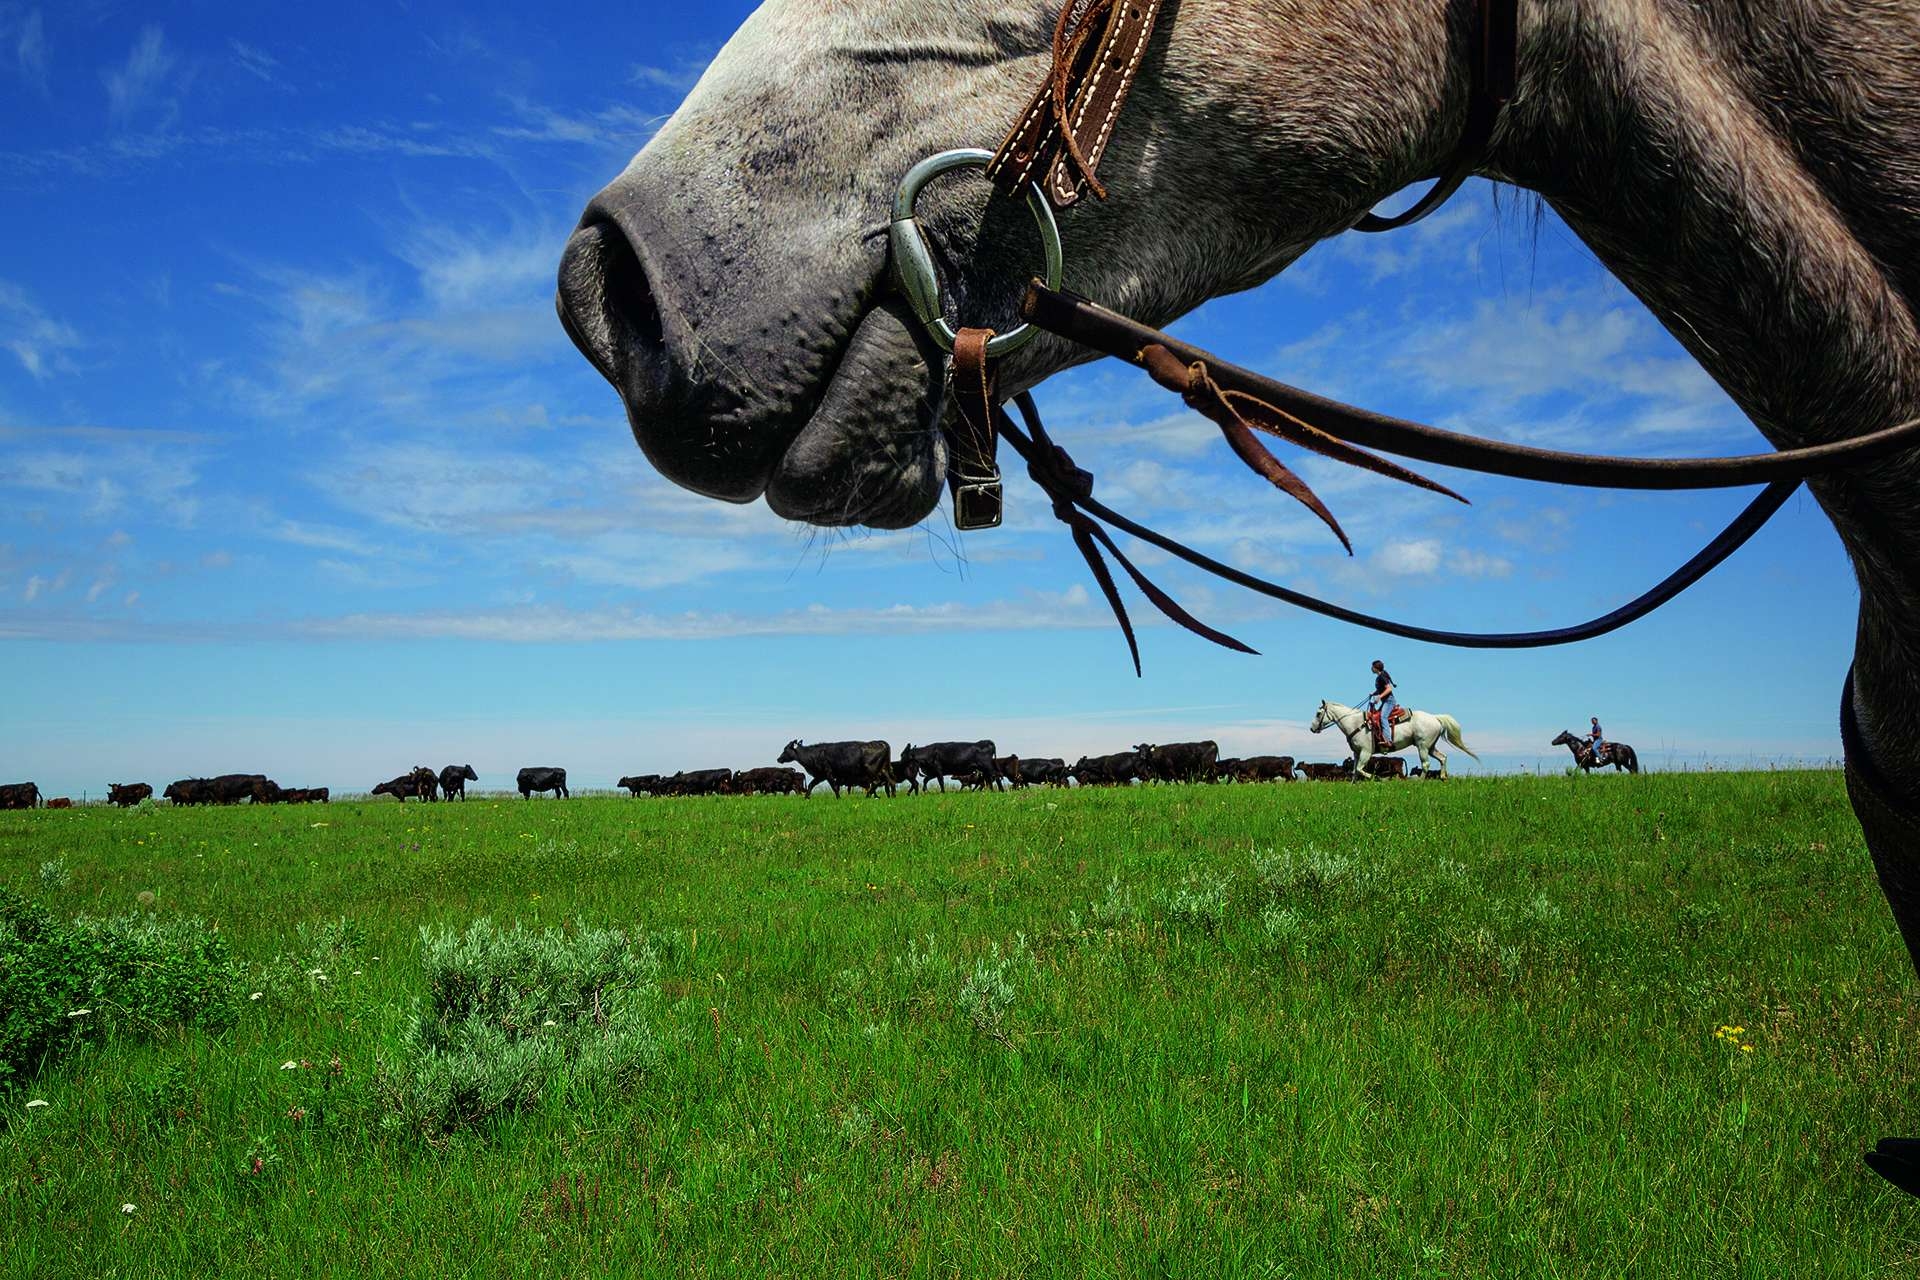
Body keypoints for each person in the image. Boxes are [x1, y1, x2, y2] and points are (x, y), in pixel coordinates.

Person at [1367, 660, 1397, 747]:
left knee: (1383, 717)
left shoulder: (1382, 676)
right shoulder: (1379, 677)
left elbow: (1389, 689)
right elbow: (1381, 689)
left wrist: (1379, 697)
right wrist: (1374, 693)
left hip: (1389, 701)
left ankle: (1388, 741)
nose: (1371, 668)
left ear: (1376, 668)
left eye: (1372, 667)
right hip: (1385, 701)